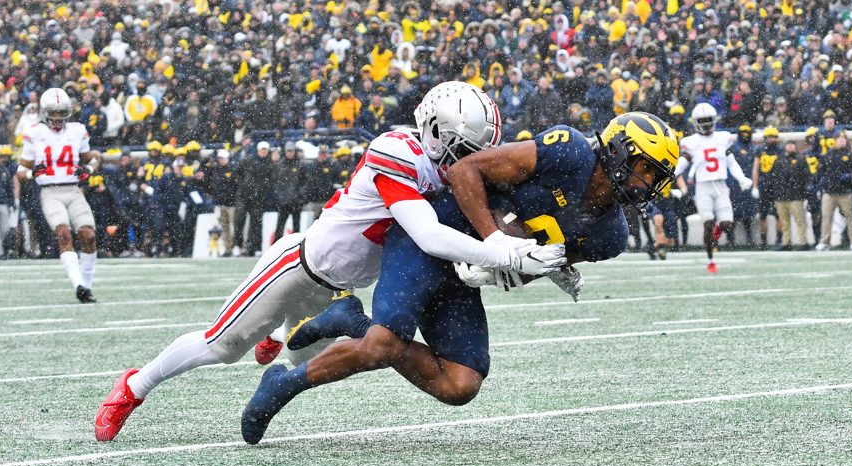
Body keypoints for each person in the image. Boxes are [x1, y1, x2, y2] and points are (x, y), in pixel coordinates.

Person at [93, 82, 565, 442]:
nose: (473, 161)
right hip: (300, 266)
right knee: (224, 346)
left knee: (302, 353)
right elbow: (426, 234)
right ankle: (134, 386)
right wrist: (496, 249)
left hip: (340, 290)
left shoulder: (446, 170)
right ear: (436, 133)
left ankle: (282, 337)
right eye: (467, 150)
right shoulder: (398, 150)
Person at [240, 112, 679, 445]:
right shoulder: (569, 152)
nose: (651, 185)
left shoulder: (611, 235)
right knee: (382, 346)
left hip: (468, 271)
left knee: (460, 384)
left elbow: (529, 260)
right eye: (649, 171)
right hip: (435, 237)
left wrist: (515, 271)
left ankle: (351, 319)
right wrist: (492, 240)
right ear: (621, 152)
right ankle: (284, 382)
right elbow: (464, 171)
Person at [15, 88, 101, 303]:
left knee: (89, 236)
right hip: (50, 191)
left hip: (73, 189)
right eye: (54, 112)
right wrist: (32, 172)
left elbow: (94, 158)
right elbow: (20, 171)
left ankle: (87, 287)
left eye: (62, 112)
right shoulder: (34, 132)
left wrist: (89, 169)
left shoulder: (77, 130)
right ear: (45, 112)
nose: (58, 117)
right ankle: (78, 284)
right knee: (64, 234)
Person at [674, 103, 752, 273]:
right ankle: (710, 260)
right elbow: (683, 163)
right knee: (708, 221)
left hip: (721, 186)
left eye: (707, 120)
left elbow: (731, 162)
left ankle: (714, 238)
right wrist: (670, 175)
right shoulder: (691, 142)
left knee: (726, 224)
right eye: (701, 120)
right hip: (703, 188)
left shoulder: (723, 138)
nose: (705, 124)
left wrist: (741, 178)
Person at [815, 133, 852, 251]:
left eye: (843, 139)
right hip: (829, 192)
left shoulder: (851, 155)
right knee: (826, 217)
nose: (841, 141)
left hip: (845, 192)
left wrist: (850, 177)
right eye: (839, 139)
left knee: (850, 217)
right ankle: (825, 241)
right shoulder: (828, 154)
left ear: (846, 141)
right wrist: (821, 183)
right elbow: (821, 171)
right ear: (835, 141)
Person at [232, 141, 274, 257]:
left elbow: (271, 181)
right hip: (244, 196)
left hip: (258, 198)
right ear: (258, 150)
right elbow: (237, 173)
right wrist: (242, 185)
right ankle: (237, 245)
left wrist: (263, 191)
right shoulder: (248, 160)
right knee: (239, 220)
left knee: (257, 223)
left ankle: (255, 247)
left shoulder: (270, 164)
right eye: (262, 149)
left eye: (265, 150)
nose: (263, 152)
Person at [769, 140, 810, 251]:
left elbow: (806, 176)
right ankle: (786, 242)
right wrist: (775, 192)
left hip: (796, 196)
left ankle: (803, 242)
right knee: (784, 222)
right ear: (785, 147)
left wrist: (803, 191)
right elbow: (773, 177)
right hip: (781, 196)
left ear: (795, 147)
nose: (790, 147)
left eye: (792, 145)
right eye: (788, 145)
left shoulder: (801, 159)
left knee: (800, 221)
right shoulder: (779, 160)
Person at [751, 126, 783, 250]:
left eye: (773, 137)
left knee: (778, 215)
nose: (771, 139)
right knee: (763, 215)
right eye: (769, 137)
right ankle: (763, 242)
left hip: (777, 186)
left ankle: (779, 240)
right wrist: (755, 186)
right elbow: (755, 169)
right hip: (764, 186)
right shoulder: (760, 150)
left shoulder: (780, 151)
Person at [273, 142, 305, 239]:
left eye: (291, 151)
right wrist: (279, 196)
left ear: (294, 152)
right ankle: (276, 248)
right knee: (279, 226)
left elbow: (305, 182)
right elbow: (275, 182)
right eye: (288, 151)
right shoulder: (280, 165)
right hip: (283, 201)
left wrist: (300, 195)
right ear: (285, 152)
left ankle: (296, 249)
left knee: (296, 227)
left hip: (296, 201)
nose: (290, 153)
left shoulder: (300, 165)